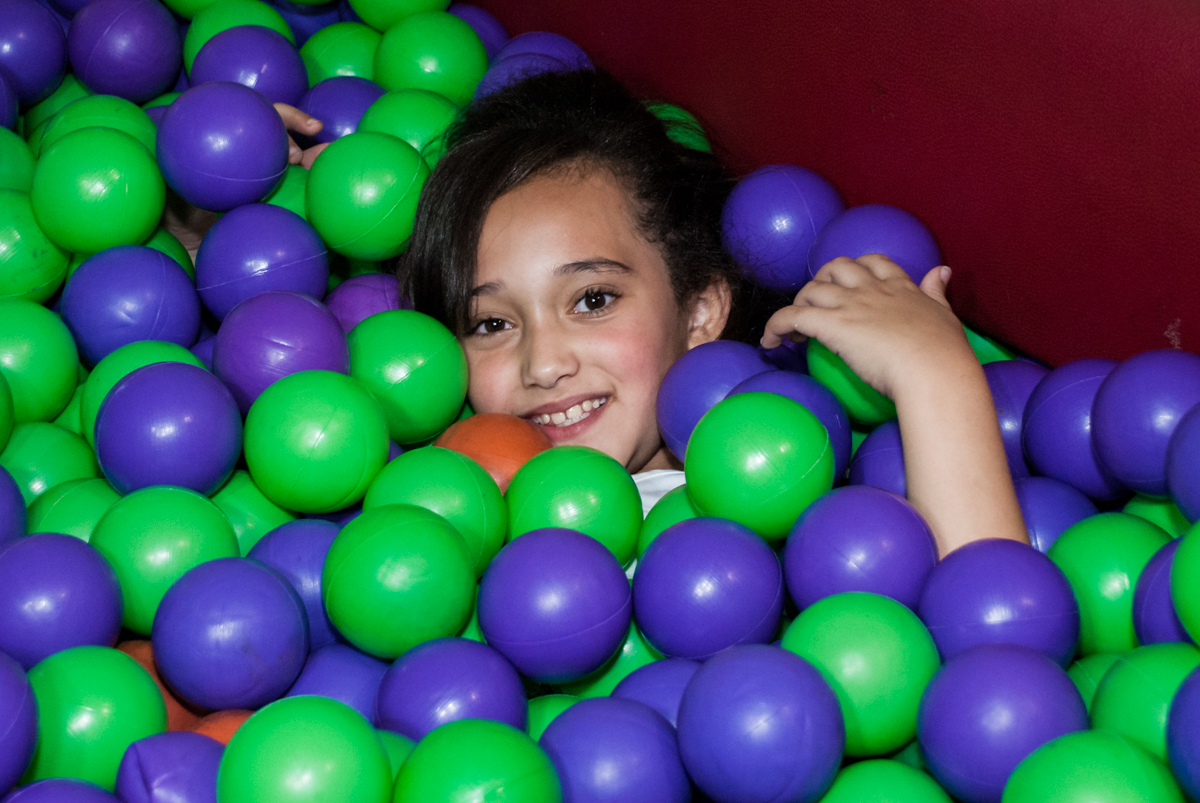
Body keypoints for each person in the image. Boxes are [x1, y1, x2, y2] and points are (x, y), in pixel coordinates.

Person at [392, 68, 1027, 557]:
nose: (544, 364)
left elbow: (995, 663)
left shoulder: (780, 487)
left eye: (592, 300)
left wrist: (934, 376)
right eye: (492, 324)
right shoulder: (442, 510)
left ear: (699, 310)